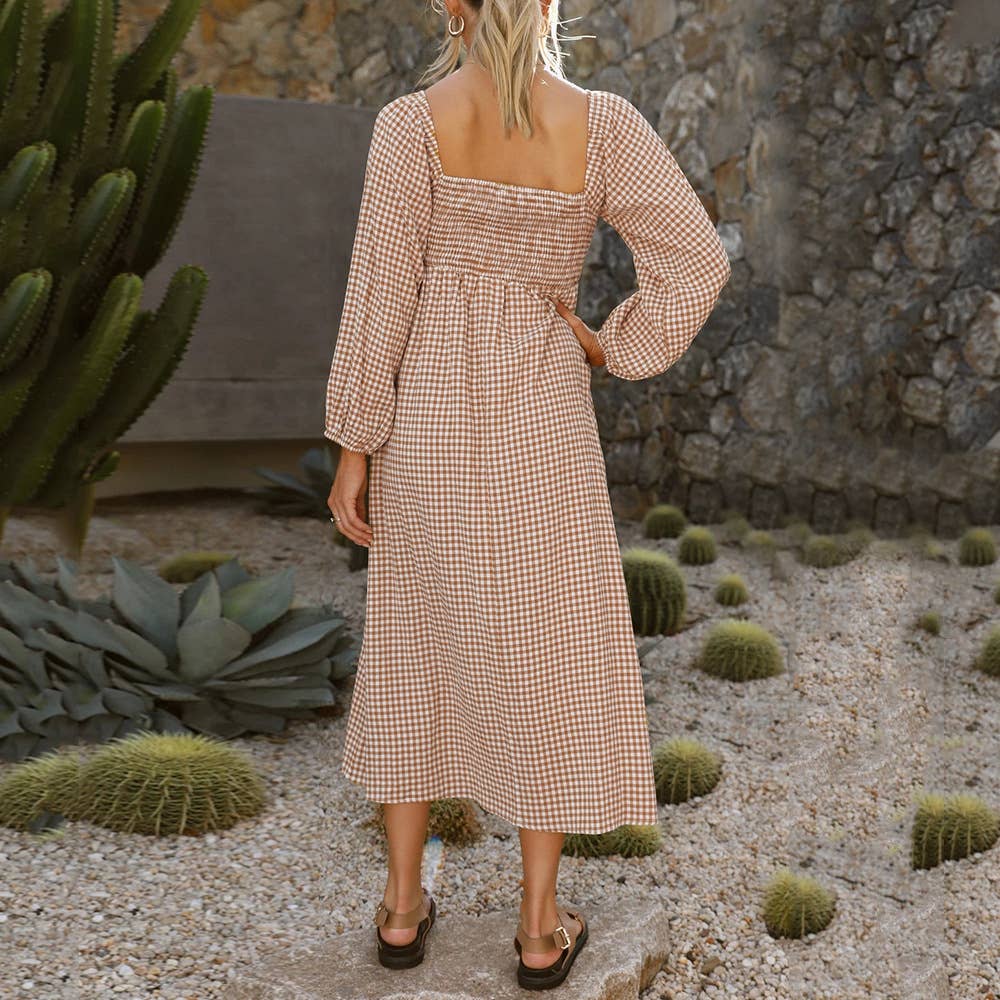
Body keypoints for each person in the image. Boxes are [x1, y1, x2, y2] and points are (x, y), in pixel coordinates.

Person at [323, 0, 732, 990]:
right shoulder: (605, 124)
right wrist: (613, 342)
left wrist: (354, 446)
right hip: (543, 417)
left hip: (429, 419)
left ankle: (401, 911)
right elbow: (697, 260)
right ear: (550, 4)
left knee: (415, 642)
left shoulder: (412, 124)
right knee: (548, 652)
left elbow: (380, 292)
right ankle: (540, 930)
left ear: (450, 8)